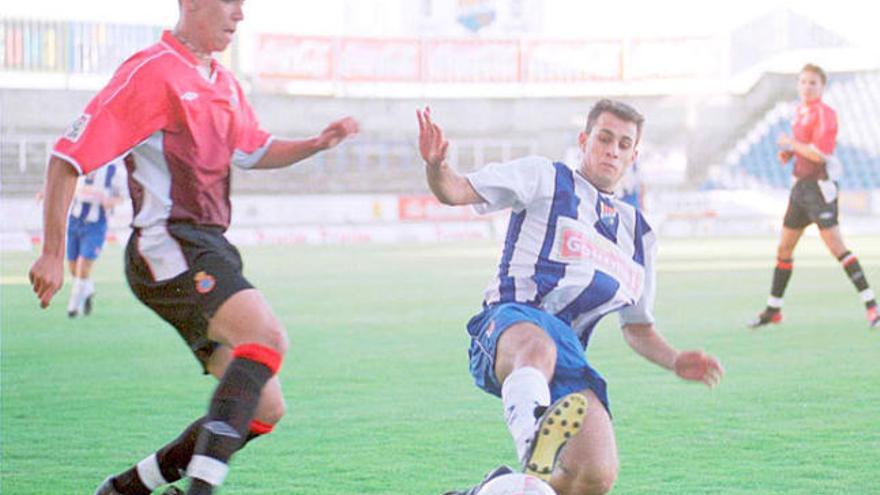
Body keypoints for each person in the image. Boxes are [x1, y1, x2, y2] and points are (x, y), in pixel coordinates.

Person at [28, 1, 359, 494]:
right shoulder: (151, 72)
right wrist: (53, 252)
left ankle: (125, 489)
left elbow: (252, 150)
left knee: (264, 409)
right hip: (167, 246)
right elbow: (66, 157)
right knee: (267, 337)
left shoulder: (223, 83)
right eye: (231, 3)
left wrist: (314, 143)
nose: (240, 15)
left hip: (211, 248)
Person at [417, 100, 723, 495]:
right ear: (585, 140)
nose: (612, 149)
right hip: (507, 326)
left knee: (595, 475)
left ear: (634, 154)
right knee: (538, 343)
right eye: (604, 138)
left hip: (568, 356)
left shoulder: (639, 234)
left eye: (623, 143)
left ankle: (491, 490)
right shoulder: (544, 177)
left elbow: (638, 327)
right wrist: (436, 166)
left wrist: (675, 359)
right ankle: (532, 439)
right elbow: (456, 190)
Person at [748, 63, 880, 329]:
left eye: (813, 83)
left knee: (837, 248)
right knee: (784, 249)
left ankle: (872, 306)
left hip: (820, 188)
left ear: (822, 87)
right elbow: (802, 150)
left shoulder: (826, 114)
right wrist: (789, 153)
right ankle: (773, 309)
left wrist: (792, 145)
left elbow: (820, 154)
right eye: (803, 82)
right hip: (800, 188)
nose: (807, 87)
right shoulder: (799, 112)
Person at [64, 161, 126, 318]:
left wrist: (110, 201)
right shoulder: (81, 162)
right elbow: (68, 184)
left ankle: (74, 306)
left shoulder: (114, 170)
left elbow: (121, 196)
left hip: (96, 225)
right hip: (75, 220)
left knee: (84, 264)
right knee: (72, 266)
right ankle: (88, 289)